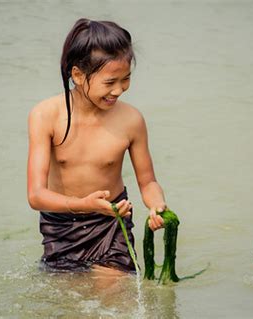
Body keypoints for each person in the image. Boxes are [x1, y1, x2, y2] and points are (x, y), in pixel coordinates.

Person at [27, 18, 166, 274]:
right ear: (78, 75)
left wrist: (157, 205)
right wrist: (84, 204)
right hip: (61, 227)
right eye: (110, 82)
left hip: (112, 223)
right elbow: (36, 195)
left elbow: (147, 182)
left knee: (114, 296)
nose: (119, 90)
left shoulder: (131, 120)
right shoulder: (45, 115)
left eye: (126, 79)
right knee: (71, 307)